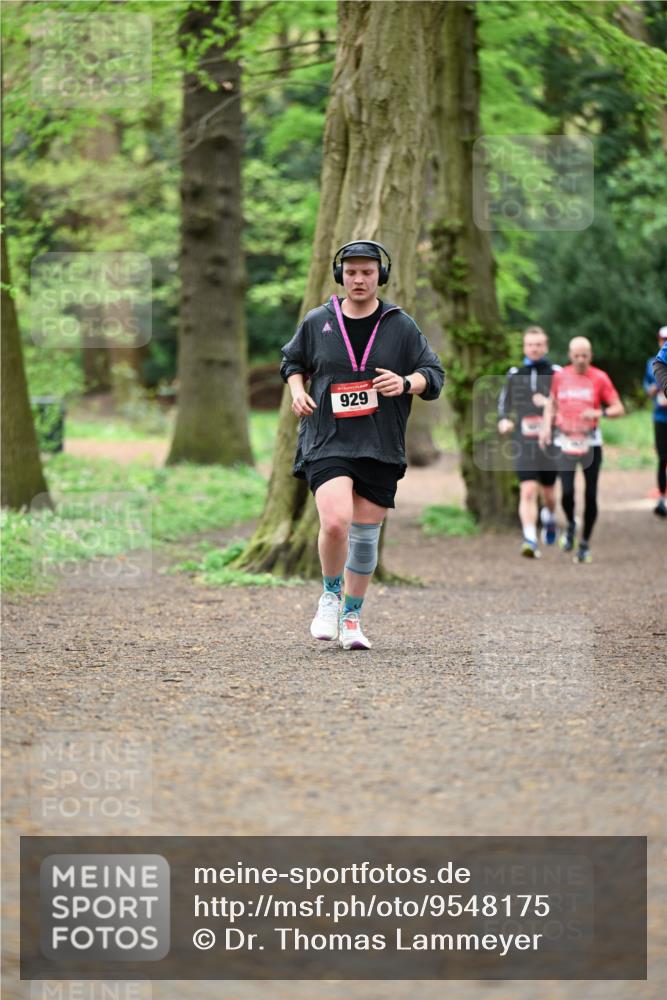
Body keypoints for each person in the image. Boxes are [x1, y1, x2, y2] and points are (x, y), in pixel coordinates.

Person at [280, 239, 445, 650]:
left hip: (379, 442)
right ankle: (331, 597)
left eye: (367, 272)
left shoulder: (399, 324)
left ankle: (352, 618)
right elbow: (292, 363)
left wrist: (407, 382)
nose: (358, 279)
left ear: (380, 276)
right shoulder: (319, 319)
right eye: (351, 272)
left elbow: (434, 374)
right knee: (336, 522)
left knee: (366, 537)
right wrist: (296, 391)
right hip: (328, 438)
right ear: (341, 275)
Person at [540, 336, 624, 564]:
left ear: (591, 356)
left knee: (590, 494)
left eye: (584, 355)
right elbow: (552, 403)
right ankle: (571, 525)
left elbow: (618, 408)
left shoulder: (599, 377)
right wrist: (546, 427)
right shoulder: (561, 376)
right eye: (576, 355)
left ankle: (584, 542)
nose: (580, 360)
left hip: (591, 443)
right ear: (570, 355)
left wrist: (600, 413)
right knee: (566, 493)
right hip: (565, 441)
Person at [497, 326, 560, 558]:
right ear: (524, 347)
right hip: (523, 441)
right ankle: (530, 538)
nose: (534, 348)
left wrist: (548, 404)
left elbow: (568, 405)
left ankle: (550, 517)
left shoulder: (557, 373)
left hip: (550, 442)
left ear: (546, 346)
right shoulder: (515, 373)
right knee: (528, 490)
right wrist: (504, 421)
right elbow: (504, 404)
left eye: (539, 344)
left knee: (550, 494)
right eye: (530, 344)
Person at [643, 326, 667, 518]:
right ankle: (662, 498)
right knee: (663, 458)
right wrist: (653, 389)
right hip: (660, 417)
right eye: (662, 339)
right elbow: (647, 388)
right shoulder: (653, 362)